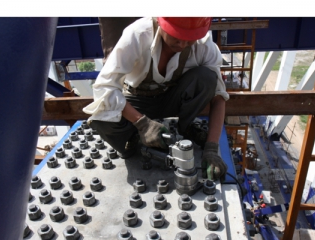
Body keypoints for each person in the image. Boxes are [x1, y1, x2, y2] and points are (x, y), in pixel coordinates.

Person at [83, 17, 229, 182]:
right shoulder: (138, 35)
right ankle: (133, 139)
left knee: (206, 78)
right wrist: (142, 123)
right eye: (176, 36)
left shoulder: (204, 45)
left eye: (188, 39)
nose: (182, 45)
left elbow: (218, 97)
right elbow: (105, 87)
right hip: (136, 99)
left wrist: (211, 149)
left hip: (171, 98)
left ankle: (185, 128)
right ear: (160, 22)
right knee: (103, 118)